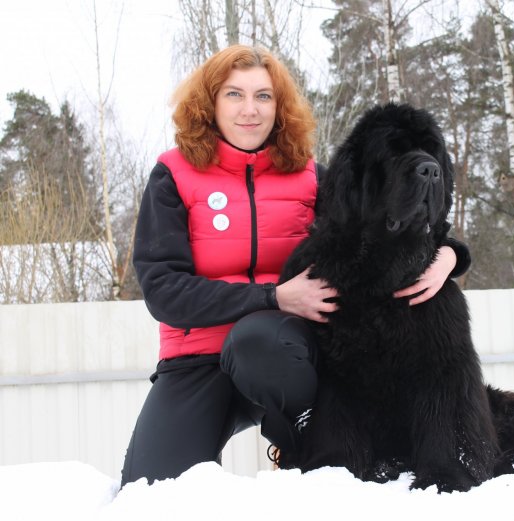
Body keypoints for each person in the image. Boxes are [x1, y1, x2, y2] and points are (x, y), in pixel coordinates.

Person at [121, 45, 471, 486]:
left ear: (280, 106)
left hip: (285, 351)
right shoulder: (173, 176)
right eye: (234, 95)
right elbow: (163, 290)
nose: (250, 109)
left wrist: (452, 253)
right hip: (196, 358)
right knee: (148, 489)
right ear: (209, 102)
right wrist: (272, 296)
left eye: (263, 96)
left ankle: (302, 439)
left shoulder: (310, 177)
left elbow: (379, 225)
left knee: (257, 341)